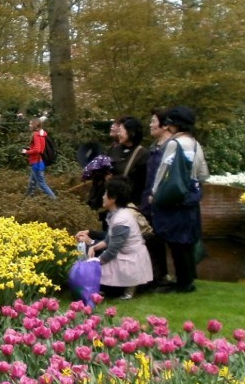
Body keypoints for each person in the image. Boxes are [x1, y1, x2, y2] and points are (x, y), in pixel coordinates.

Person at [149, 106, 209, 293]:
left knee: (175, 241)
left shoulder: (175, 144)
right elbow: (203, 173)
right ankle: (187, 279)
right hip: (190, 196)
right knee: (186, 240)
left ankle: (183, 283)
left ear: (174, 124)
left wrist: (155, 192)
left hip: (175, 197)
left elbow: (163, 170)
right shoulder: (196, 144)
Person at [75, 176, 153, 300]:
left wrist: (93, 264)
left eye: (106, 194)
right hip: (125, 255)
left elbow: (112, 251)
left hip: (130, 260)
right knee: (92, 252)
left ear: (114, 198)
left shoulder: (121, 220)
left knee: (96, 269)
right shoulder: (117, 214)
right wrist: (94, 246)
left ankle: (130, 287)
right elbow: (109, 239)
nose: (103, 196)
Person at [140, 108, 173, 290]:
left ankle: (162, 277)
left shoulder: (171, 147)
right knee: (151, 240)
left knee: (159, 239)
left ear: (165, 125)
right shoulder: (155, 147)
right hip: (148, 201)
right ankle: (154, 276)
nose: (151, 124)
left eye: (154, 121)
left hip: (160, 202)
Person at [21, 117, 57, 199]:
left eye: (30, 124)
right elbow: (40, 148)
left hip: (37, 162)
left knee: (42, 184)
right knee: (32, 181)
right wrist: (30, 149)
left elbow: (38, 150)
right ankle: (28, 198)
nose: (29, 125)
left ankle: (55, 200)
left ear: (35, 125)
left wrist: (26, 152)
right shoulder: (41, 134)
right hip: (39, 162)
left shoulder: (36, 135)